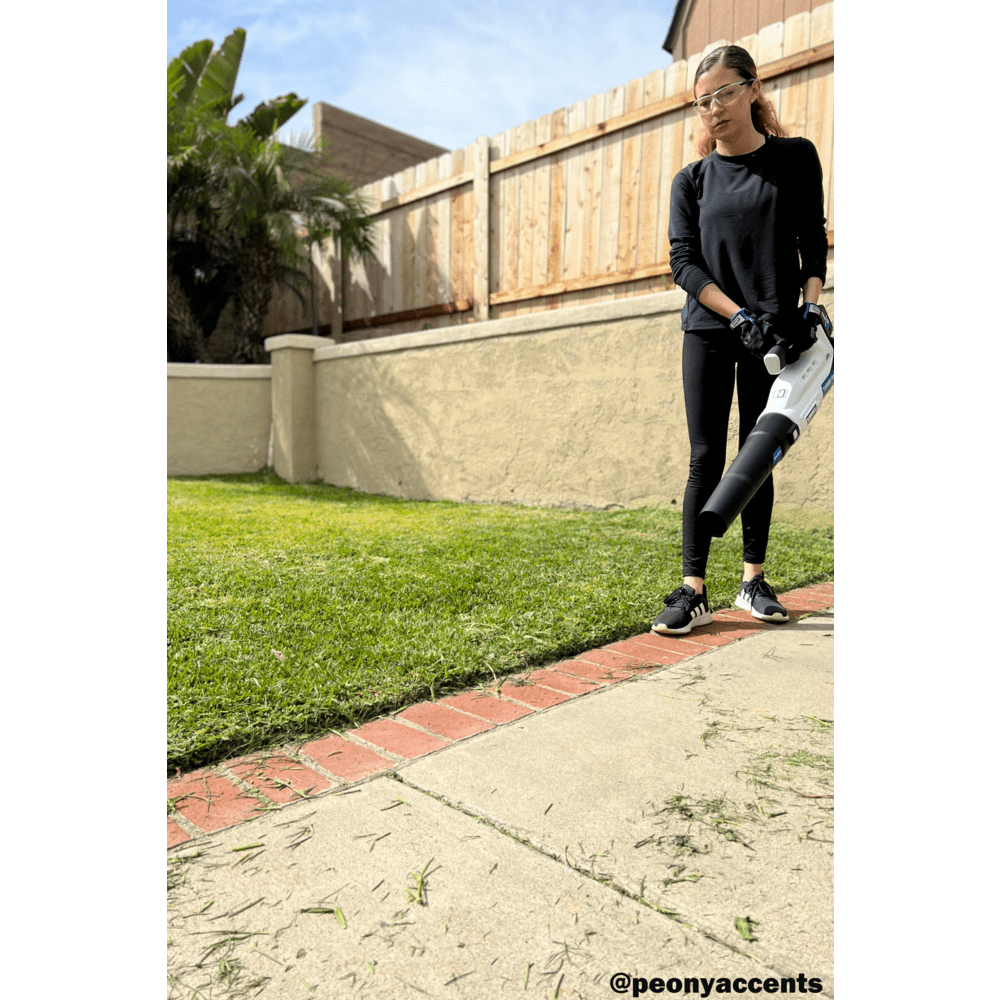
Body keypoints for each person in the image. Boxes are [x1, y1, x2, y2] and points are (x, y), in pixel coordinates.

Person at [653, 45, 831, 635]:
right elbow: (683, 264)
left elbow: (813, 242)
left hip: (775, 334)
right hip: (710, 329)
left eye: (725, 93)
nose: (714, 108)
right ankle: (692, 589)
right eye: (703, 101)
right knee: (705, 456)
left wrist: (810, 307)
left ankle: (753, 581)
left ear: (753, 89)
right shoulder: (692, 180)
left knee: (757, 455)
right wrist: (735, 317)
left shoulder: (796, 157)